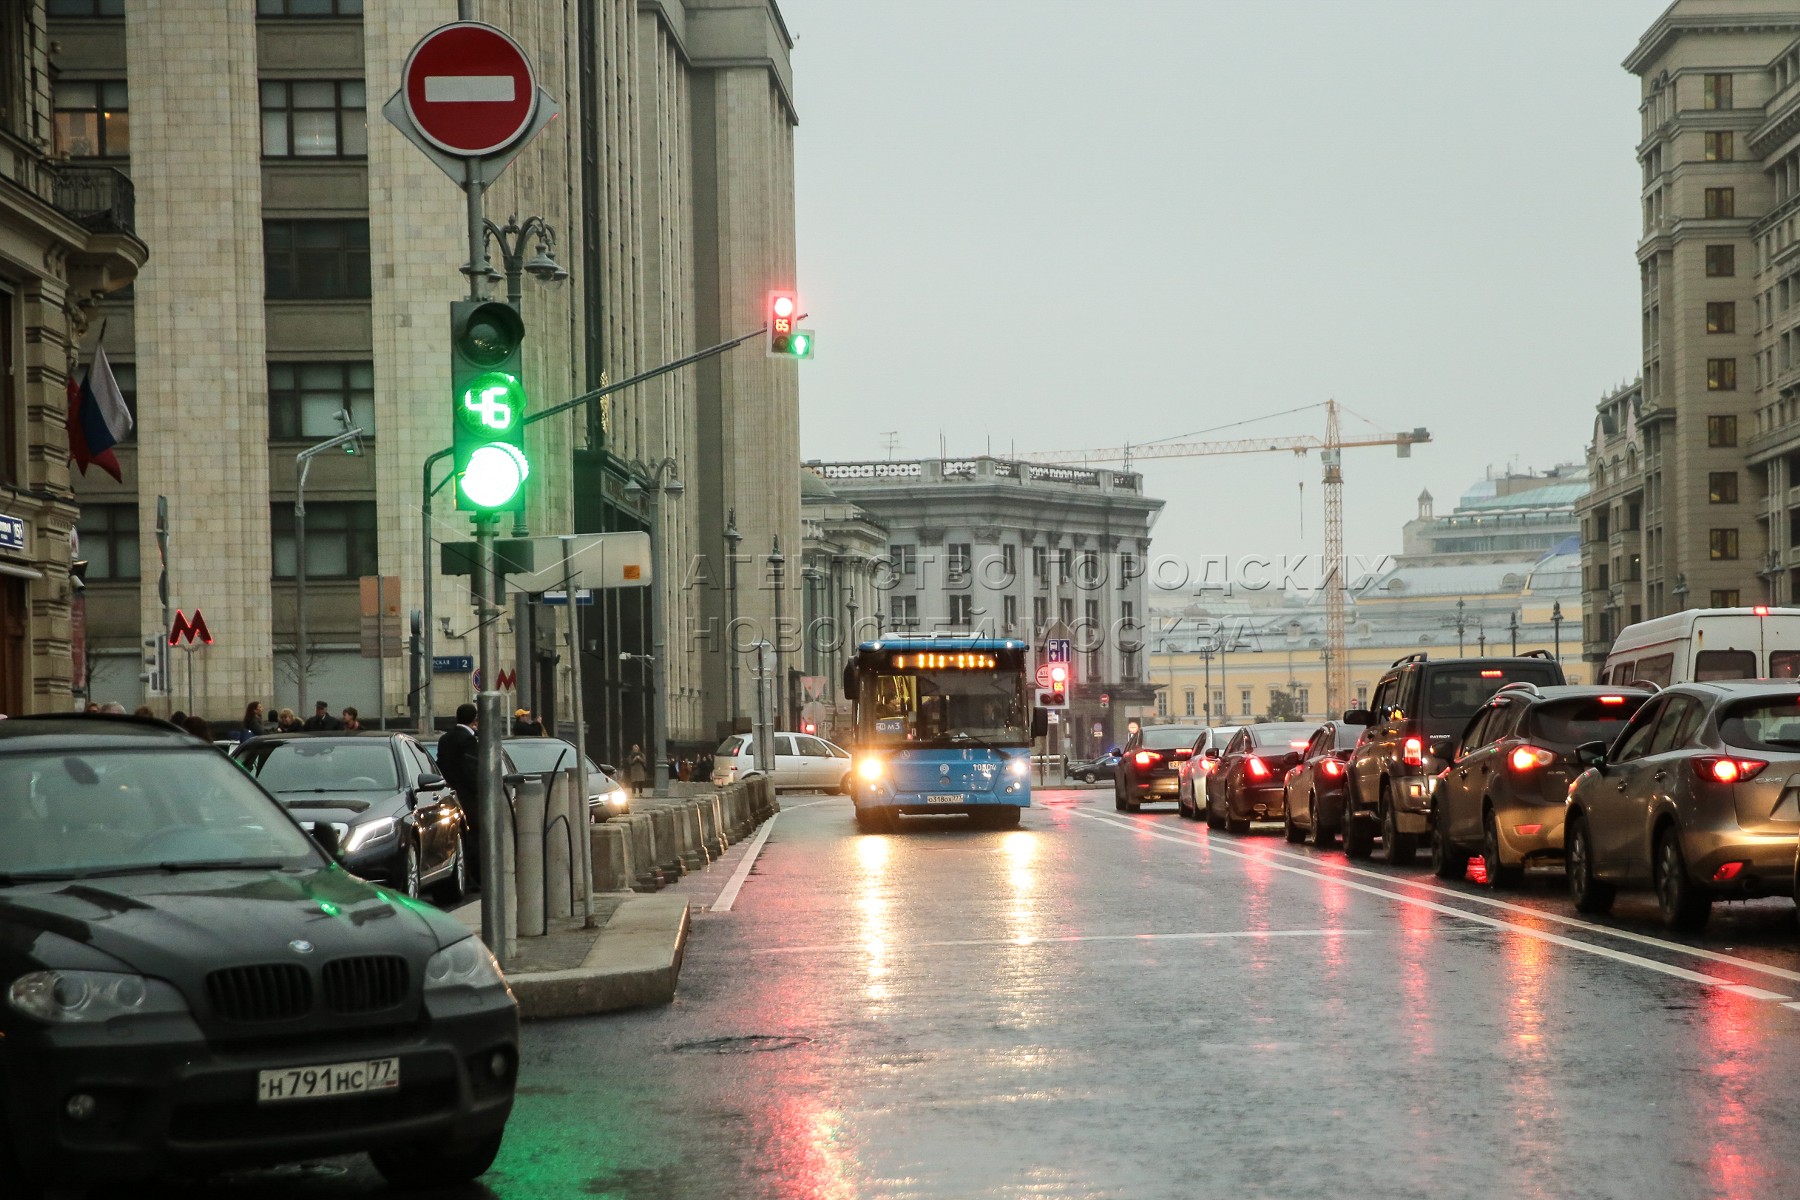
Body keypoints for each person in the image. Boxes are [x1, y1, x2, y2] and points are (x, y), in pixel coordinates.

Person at [437, 704, 481, 879]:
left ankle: (459, 872)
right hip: (467, 795)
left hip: (449, 793)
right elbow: (470, 770)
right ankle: (474, 876)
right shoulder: (469, 740)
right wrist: (478, 790)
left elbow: (441, 765)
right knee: (474, 834)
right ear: (474, 719)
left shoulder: (445, 739)